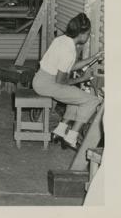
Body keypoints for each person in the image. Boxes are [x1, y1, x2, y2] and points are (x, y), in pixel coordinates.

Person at [32, 13, 103, 148]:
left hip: (40, 79)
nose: (88, 37)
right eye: (88, 34)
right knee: (92, 100)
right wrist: (83, 78)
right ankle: (71, 136)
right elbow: (60, 82)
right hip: (47, 84)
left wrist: (94, 57)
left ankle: (59, 130)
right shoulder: (68, 50)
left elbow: (70, 66)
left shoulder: (62, 40)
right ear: (81, 34)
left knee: (75, 95)